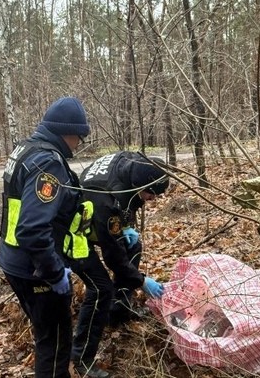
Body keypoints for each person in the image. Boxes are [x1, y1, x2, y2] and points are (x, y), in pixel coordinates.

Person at [0, 96, 91, 378]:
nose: (78, 145)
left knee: (46, 337)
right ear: (68, 132)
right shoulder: (48, 163)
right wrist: (54, 273)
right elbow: (32, 229)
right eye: (79, 138)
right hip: (35, 269)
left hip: (14, 261)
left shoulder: (25, 149)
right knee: (55, 345)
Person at [69, 151, 169, 378]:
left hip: (95, 219)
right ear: (139, 185)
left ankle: (120, 308)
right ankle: (81, 359)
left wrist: (125, 226)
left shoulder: (131, 162)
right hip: (72, 236)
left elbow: (126, 206)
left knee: (133, 246)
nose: (152, 200)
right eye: (150, 195)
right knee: (100, 288)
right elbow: (113, 258)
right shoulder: (108, 201)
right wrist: (142, 281)